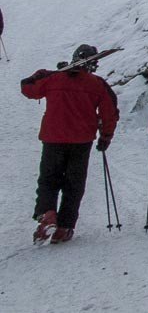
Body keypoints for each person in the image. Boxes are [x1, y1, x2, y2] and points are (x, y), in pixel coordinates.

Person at [20, 44, 119, 244]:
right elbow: (110, 111)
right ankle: (64, 227)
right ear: (93, 64)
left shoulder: (54, 79)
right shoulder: (97, 84)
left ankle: (47, 216)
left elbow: (28, 88)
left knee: (48, 180)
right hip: (81, 141)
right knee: (74, 185)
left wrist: (44, 73)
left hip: (53, 138)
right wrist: (106, 136)